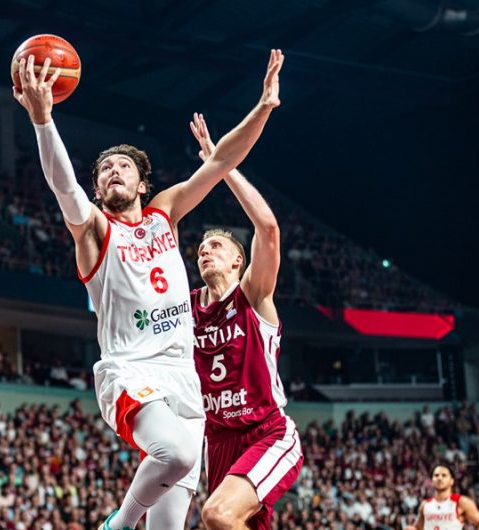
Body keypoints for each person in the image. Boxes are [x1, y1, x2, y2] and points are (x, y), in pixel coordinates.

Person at [13, 48, 285, 530]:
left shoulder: (165, 214)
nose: (113, 172)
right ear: (98, 190)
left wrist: (262, 107)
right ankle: (118, 524)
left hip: (186, 378)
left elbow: (221, 159)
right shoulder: (94, 231)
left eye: (123, 167)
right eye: (104, 171)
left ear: (143, 183)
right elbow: (63, 188)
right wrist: (42, 121)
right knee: (176, 454)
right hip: (130, 371)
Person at [187, 113, 303, 530]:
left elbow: (268, 229)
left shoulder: (253, 295)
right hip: (217, 440)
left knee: (217, 514)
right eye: (200, 248)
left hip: (266, 430)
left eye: (215, 245)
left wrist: (222, 164)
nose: (205, 251)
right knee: (225, 522)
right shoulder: (186, 308)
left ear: (238, 260)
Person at [409, 465, 479, 530]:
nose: (439, 478)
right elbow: (417, 527)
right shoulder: (425, 504)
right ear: (432, 481)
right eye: (436, 475)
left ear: (452, 481)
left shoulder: (461, 502)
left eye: (444, 475)